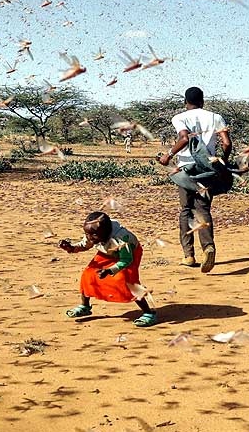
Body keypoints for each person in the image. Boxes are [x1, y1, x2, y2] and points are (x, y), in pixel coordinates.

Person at [157, 87, 231, 274]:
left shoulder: (180, 117)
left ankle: (188, 255)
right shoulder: (216, 117)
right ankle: (208, 247)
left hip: (185, 168)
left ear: (185, 102)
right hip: (208, 168)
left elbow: (183, 137)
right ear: (203, 101)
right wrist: (224, 161)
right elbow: (227, 143)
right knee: (203, 208)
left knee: (186, 209)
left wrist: (168, 154)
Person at [59, 211, 157, 327]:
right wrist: (71, 248)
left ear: (105, 232)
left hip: (129, 255)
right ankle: (85, 306)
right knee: (88, 274)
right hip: (107, 253)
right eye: (87, 234)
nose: (90, 238)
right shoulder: (94, 233)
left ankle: (148, 312)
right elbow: (84, 245)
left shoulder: (121, 238)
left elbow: (126, 260)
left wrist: (110, 270)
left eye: (94, 235)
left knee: (129, 282)